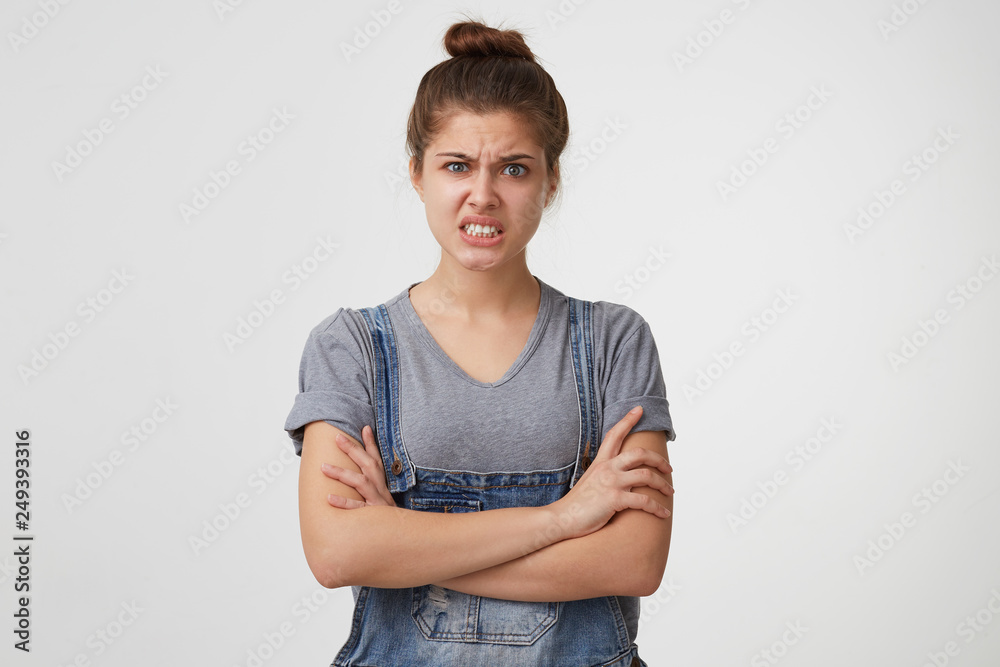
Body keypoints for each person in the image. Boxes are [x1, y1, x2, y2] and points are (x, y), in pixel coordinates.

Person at [284, 18, 676, 667]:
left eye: (514, 168)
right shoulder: (350, 346)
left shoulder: (613, 340)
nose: (483, 195)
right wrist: (567, 517)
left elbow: (634, 559)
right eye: (457, 164)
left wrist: (403, 547)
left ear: (551, 181)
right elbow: (337, 553)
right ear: (416, 173)